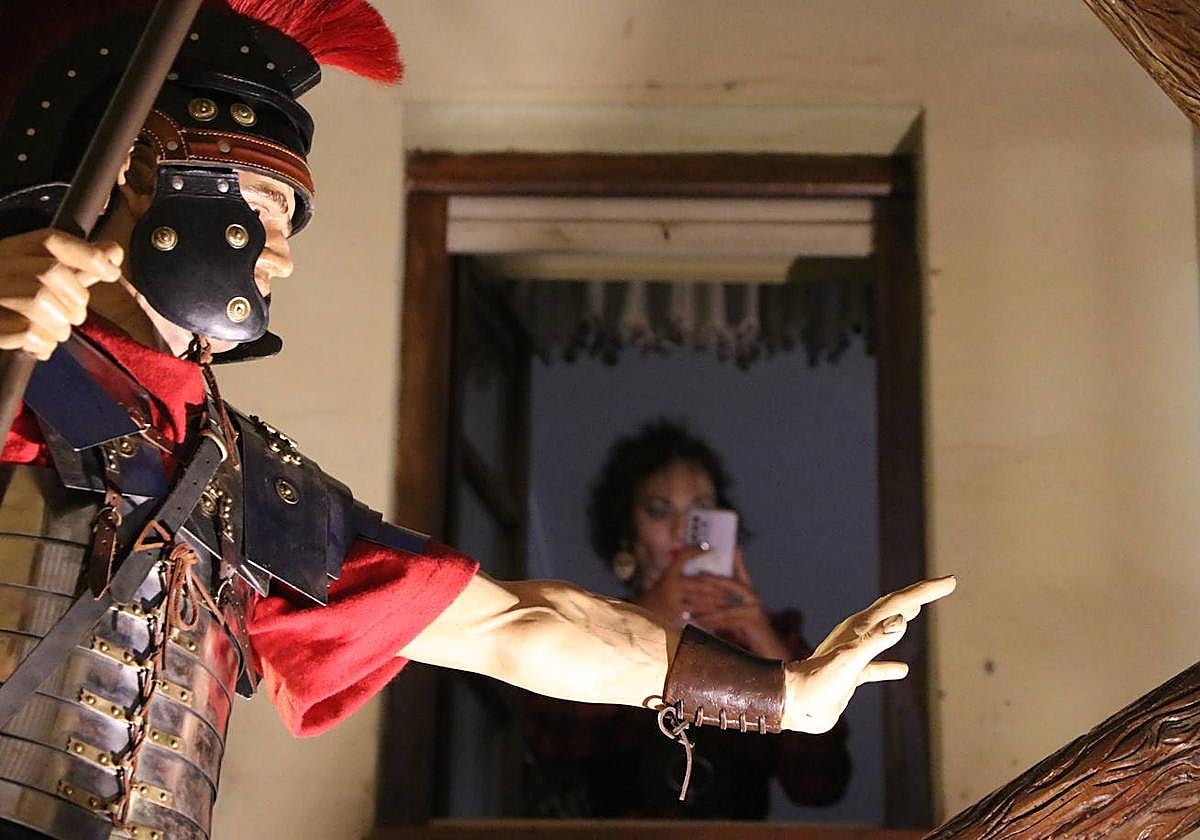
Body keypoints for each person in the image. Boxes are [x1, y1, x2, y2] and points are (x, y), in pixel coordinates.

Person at [0, 3, 956, 839]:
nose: (282, 258)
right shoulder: (21, 378)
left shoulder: (235, 481)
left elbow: (516, 625)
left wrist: (785, 695)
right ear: (139, 177)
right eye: (262, 204)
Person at [522, 421, 850, 818]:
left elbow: (820, 782)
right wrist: (648, 619)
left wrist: (762, 641)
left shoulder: (769, 633)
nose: (682, 531)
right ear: (628, 535)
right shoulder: (593, 626)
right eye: (660, 511)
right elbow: (549, 738)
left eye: (700, 511)